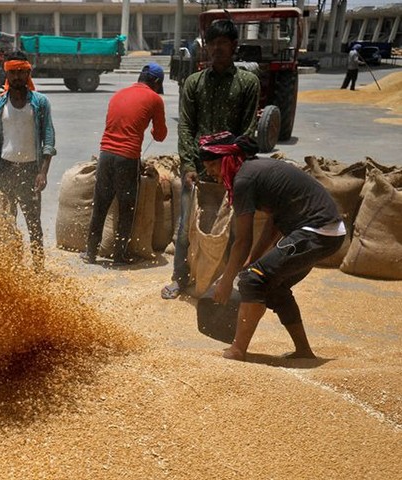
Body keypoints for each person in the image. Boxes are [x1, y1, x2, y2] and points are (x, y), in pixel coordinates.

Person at [200, 132, 346, 362]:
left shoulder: (244, 180)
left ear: (227, 159)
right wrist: (253, 260)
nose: (209, 172)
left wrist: (227, 280)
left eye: (212, 165)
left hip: (316, 231)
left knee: (253, 279)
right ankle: (304, 352)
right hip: (323, 232)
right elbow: (273, 222)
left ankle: (238, 350)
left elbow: (242, 239)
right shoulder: (254, 171)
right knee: (272, 285)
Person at [161, 19, 261, 299]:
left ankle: (221, 282)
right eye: (211, 43)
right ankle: (180, 278)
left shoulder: (247, 83)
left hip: (232, 172)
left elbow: (247, 130)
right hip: (197, 170)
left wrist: (229, 167)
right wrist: (190, 164)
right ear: (205, 47)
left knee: (229, 230)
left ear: (233, 46)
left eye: (222, 43)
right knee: (185, 228)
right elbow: (186, 126)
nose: (216, 49)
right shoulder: (194, 83)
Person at [80, 62, 168, 265]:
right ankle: (120, 255)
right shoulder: (154, 99)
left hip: (105, 154)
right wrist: (152, 129)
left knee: (101, 205)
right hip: (127, 158)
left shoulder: (118, 94)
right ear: (155, 82)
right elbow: (160, 135)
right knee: (126, 207)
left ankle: (90, 252)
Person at [0, 50, 56, 269]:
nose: (17, 77)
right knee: (6, 221)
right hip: (5, 169)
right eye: (13, 72)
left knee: (33, 222)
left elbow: (48, 138)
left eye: (21, 72)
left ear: (28, 73)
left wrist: (43, 172)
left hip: (30, 171)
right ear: (6, 74)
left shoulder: (40, 103)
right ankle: (11, 266)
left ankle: (38, 266)